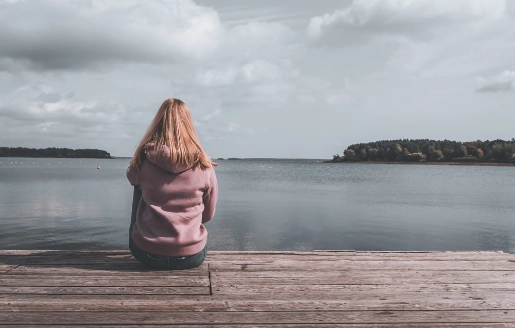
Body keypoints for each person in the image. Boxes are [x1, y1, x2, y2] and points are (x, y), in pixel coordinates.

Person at [126, 98, 218, 270]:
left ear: (157, 124)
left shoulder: (143, 160)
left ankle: (141, 233)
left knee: (138, 186)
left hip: (146, 253)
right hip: (191, 256)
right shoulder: (205, 165)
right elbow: (208, 215)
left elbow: (131, 177)